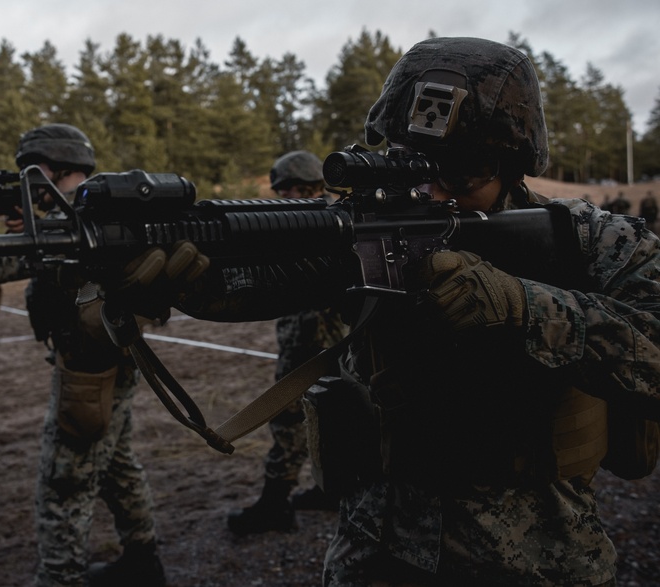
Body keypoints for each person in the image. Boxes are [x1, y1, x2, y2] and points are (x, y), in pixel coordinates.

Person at [118, 37, 660, 586]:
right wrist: (183, 275)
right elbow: (260, 282)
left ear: (512, 160)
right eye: (407, 164)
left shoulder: (589, 242)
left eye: (458, 172)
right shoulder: (365, 228)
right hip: (375, 554)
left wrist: (523, 307)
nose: (427, 190)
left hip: (536, 560)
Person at [0, 124, 166, 587]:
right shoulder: (96, 209)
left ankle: (60, 578)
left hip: (90, 369)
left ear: (55, 167)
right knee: (115, 464)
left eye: (35, 172)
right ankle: (143, 558)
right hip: (107, 360)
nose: (29, 183)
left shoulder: (78, 220)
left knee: (63, 482)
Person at [227, 150, 349, 535]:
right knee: (333, 413)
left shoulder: (307, 223)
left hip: (309, 337)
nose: (280, 198)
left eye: (285, 191)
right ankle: (332, 489)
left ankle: (275, 504)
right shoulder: (337, 217)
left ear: (300, 188)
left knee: (288, 416)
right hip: (335, 338)